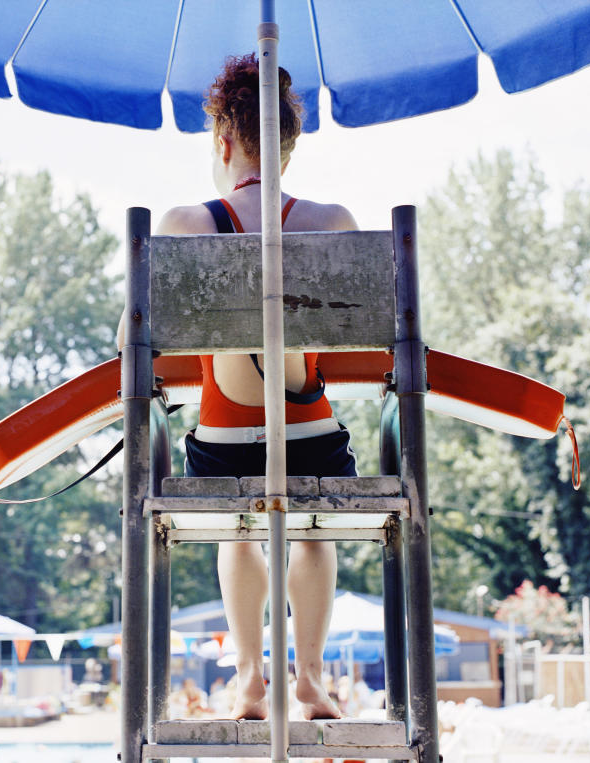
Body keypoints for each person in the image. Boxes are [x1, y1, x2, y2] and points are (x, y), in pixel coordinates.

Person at [118, 54, 357, 721]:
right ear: (289, 145)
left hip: (222, 447)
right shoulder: (332, 221)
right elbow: (370, 342)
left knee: (236, 530)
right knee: (313, 532)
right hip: (312, 440)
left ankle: (251, 677)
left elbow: (131, 339)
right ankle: (309, 680)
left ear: (223, 141)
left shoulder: (185, 225)